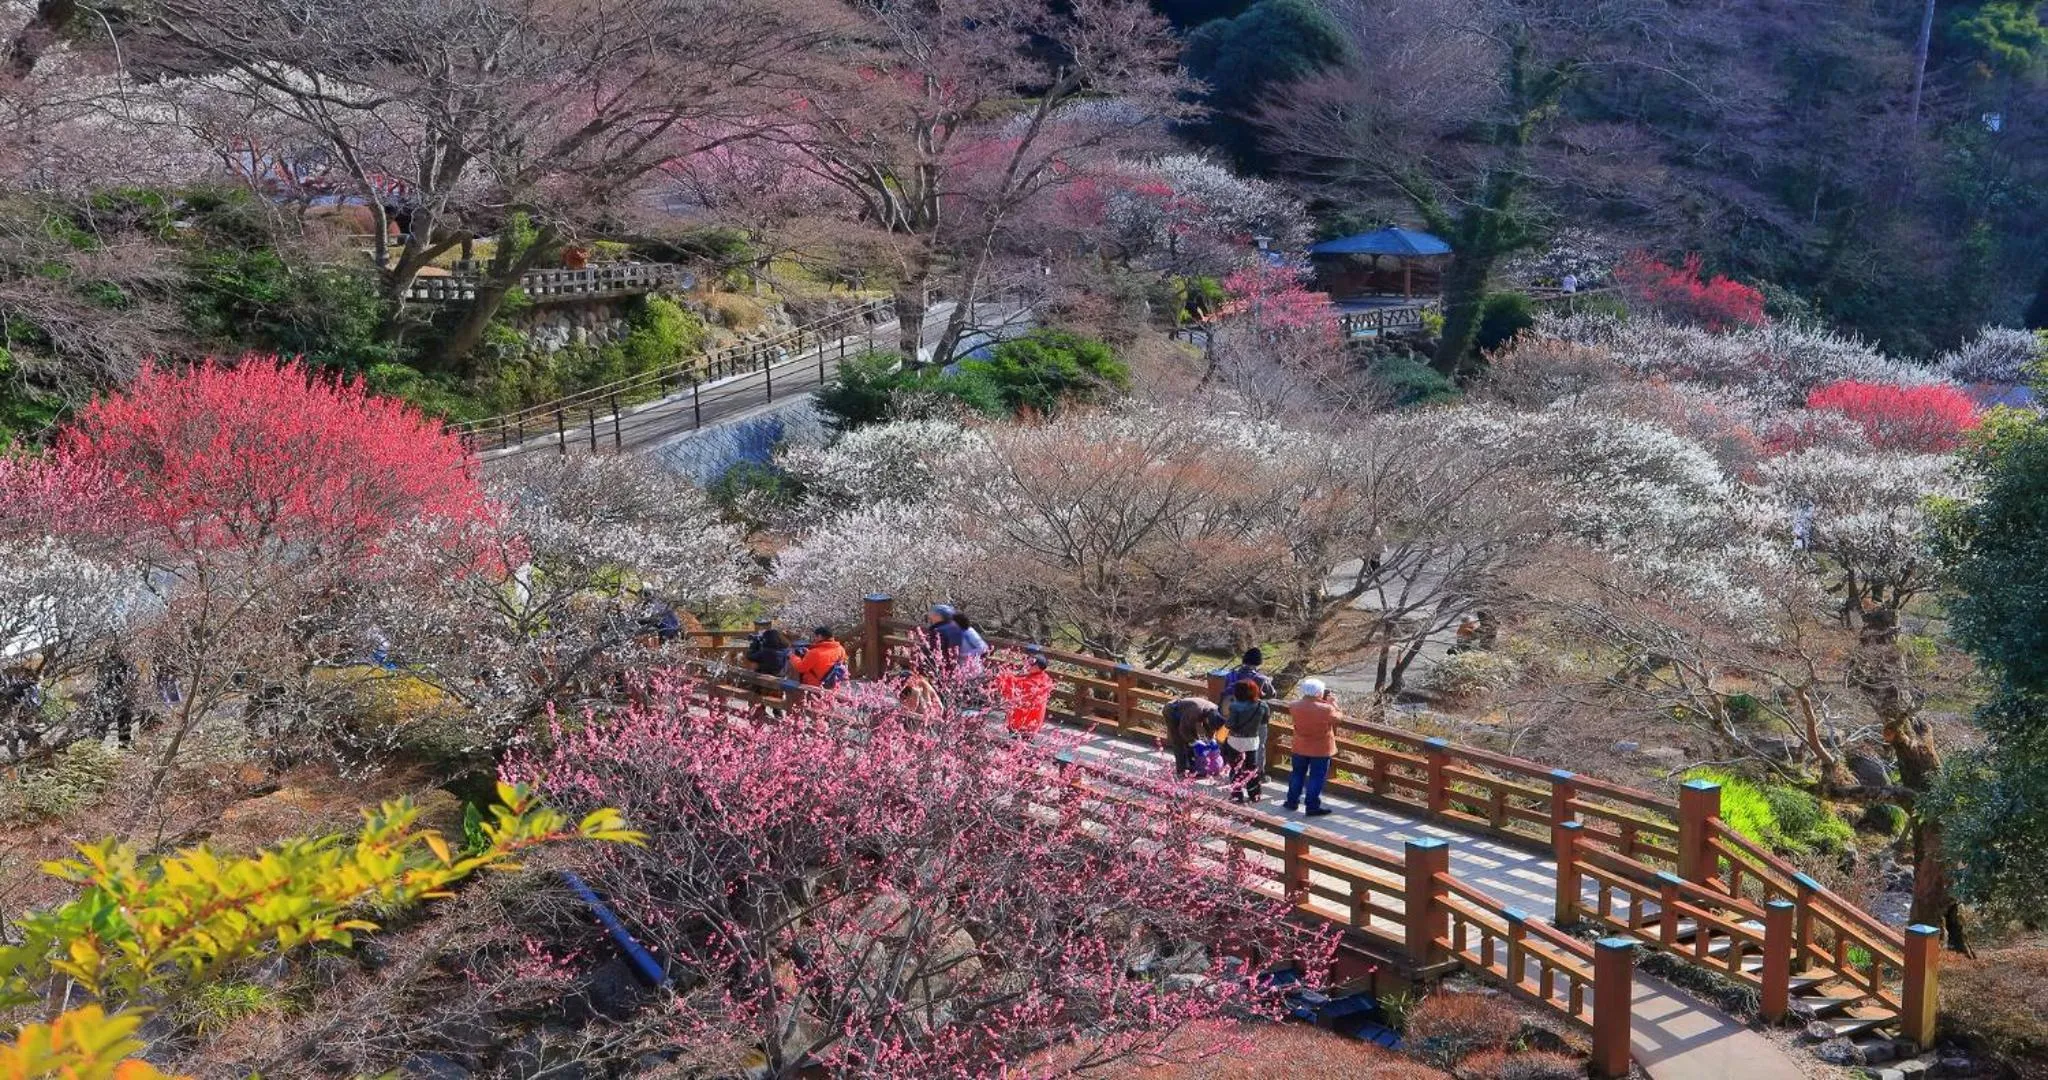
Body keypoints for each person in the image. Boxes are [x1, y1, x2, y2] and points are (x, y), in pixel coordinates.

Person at [1283, 678, 1338, 816]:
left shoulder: (1294, 705)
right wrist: (1333, 704)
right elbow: (1338, 719)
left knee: (1297, 774)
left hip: (1300, 746)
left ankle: (1291, 801)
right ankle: (1312, 806)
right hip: (1321, 749)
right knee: (1316, 777)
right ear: (1319, 692)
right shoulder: (1327, 709)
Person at [1221, 678, 1270, 803]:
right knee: (1251, 768)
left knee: (1235, 767)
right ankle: (1254, 794)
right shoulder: (1262, 705)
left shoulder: (1235, 706)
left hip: (1235, 739)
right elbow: (1265, 721)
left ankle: (1237, 794)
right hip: (1252, 740)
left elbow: (1230, 724)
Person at [1162, 696, 1223, 778]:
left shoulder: (1215, 710)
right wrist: (1194, 742)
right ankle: (1181, 771)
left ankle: (1192, 767)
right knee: (1179, 741)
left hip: (1187, 714)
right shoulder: (1195, 710)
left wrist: (1211, 739)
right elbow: (1183, 729)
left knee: (1193, 738)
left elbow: (1210, 727)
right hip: (1172, 711)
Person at [998, 654, 1055, 735]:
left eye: (1031, 663)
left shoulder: (1036, 681)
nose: (1028, 665)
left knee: (1016, 738)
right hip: (1031, 719)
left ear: (1038, 667)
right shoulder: (1044, 677)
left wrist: (1006, 677)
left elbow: (1020, 687)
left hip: (1024, 718)